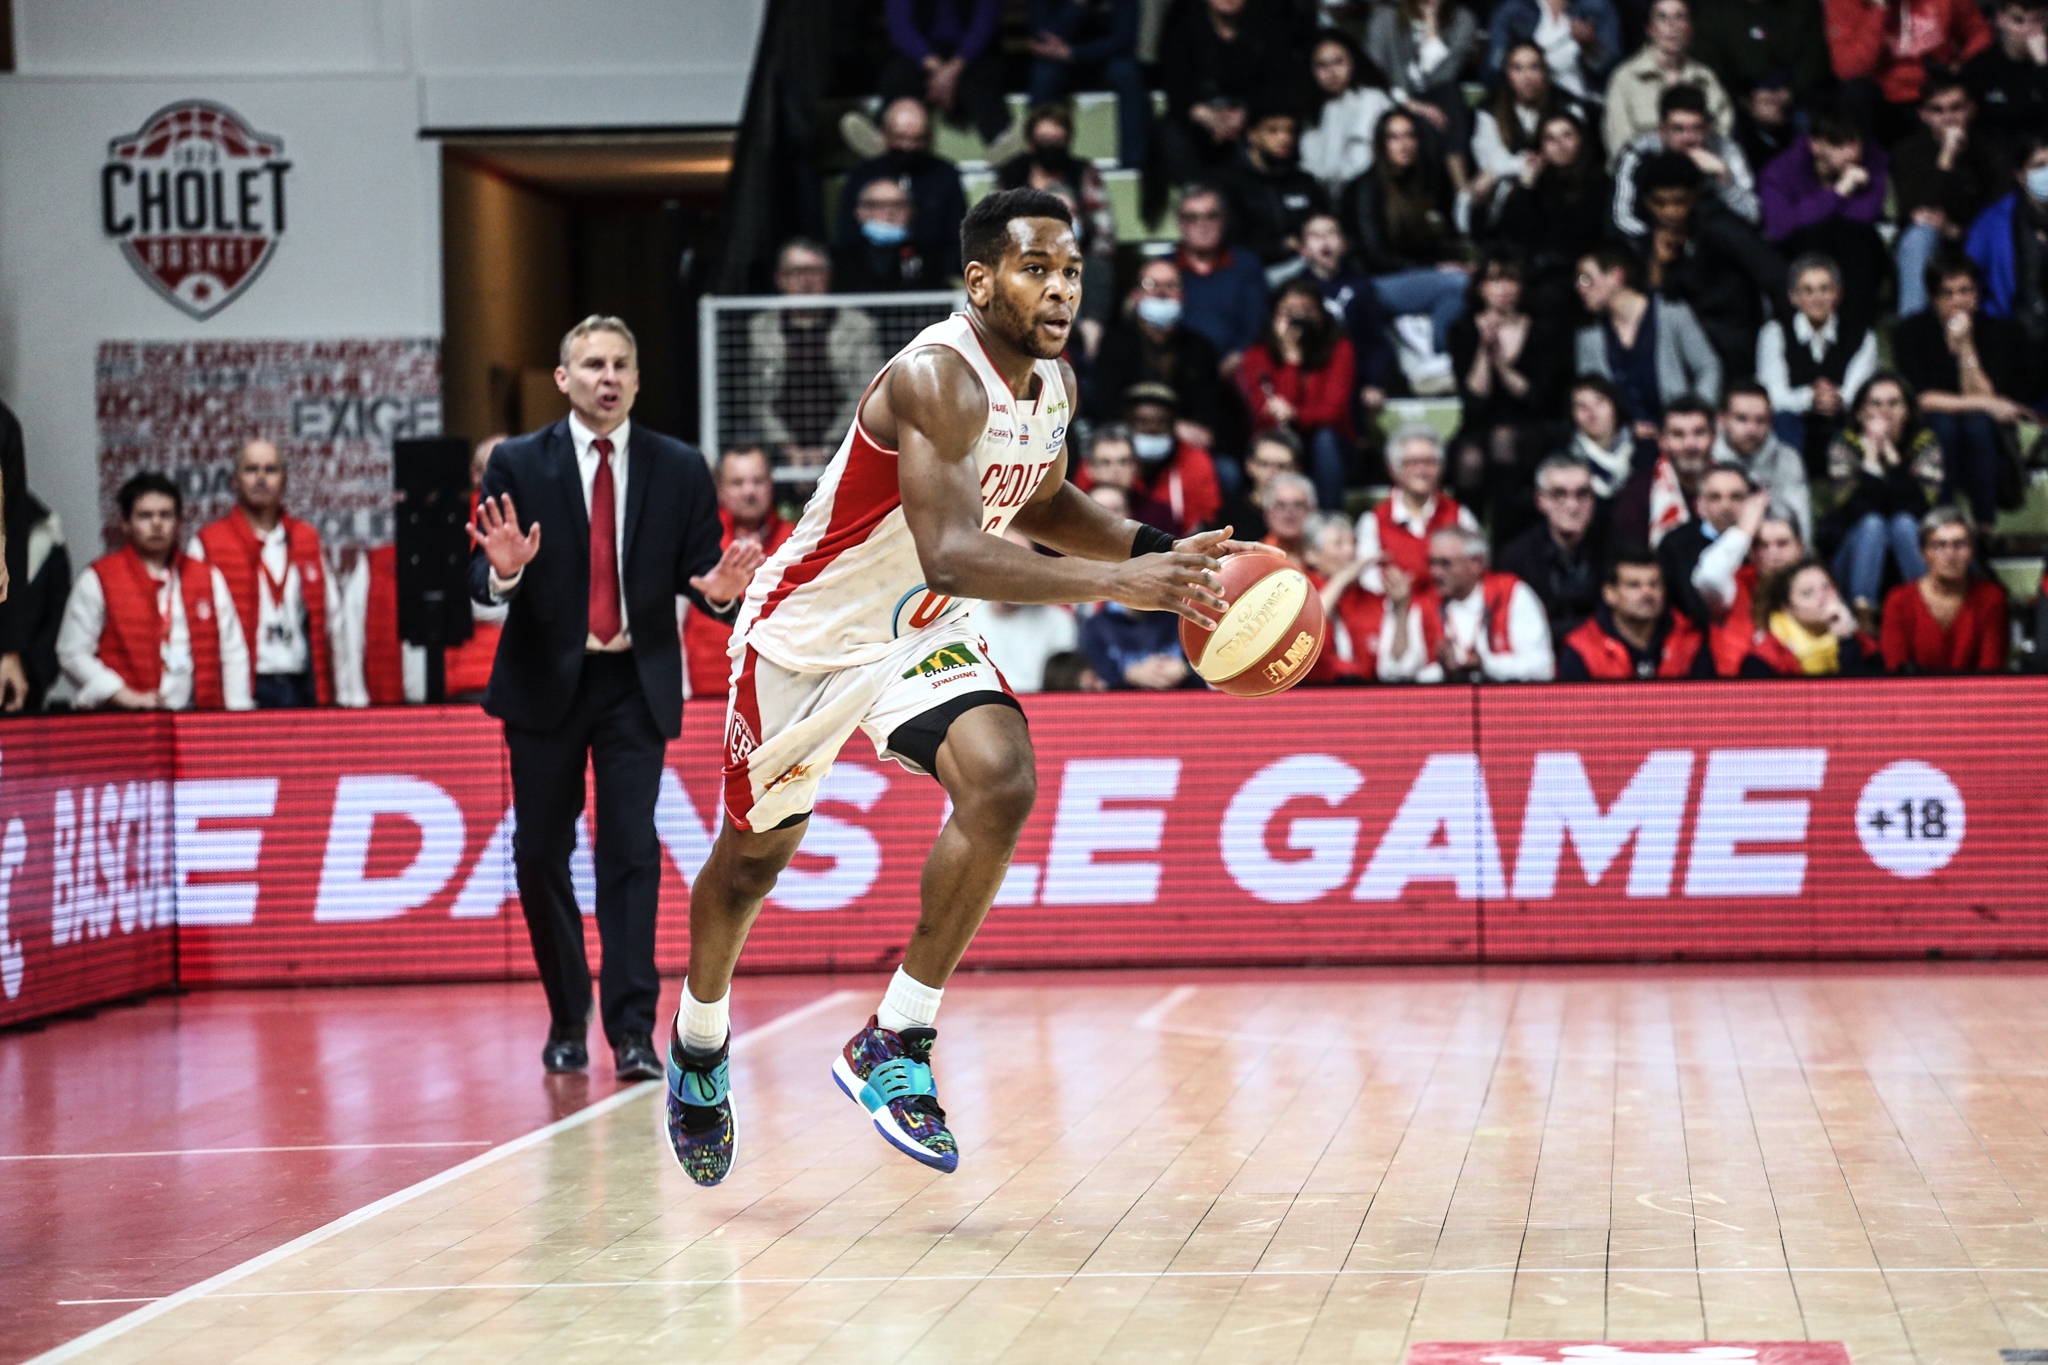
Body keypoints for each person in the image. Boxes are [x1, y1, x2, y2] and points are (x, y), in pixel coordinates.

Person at [662, 189, 1258, 1184]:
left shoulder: (1053, 386)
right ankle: (698, 1039)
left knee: (1002, 779)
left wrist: (1164, 557)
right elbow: (947, 551)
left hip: (916, 634)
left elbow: (1043, 500)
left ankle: (895, 1042)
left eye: (1070, 270)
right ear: (979, 281)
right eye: (1036, 269)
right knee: (753, 865)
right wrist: (1121, 586)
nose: (1060, 287)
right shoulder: (938, 377)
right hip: (807, 639)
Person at [467, 316, 762, 1084]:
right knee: (539, 854)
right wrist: (501, 574)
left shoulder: (677, 465)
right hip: (543, 680)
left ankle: (633, 1029)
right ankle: (569, 1015)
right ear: (563, 378)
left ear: (636, 378)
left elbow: (706, 574)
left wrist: (725, 597)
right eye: (592, 364)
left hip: (635, 679)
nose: (607, 376)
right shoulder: (519, 462)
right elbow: (480, 572)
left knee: (630, 851)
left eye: (621, 364)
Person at [58, 472, 251, 712]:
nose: (157, 523)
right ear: (125, 522)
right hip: (125, 718)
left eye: (165, 515)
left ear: (179, 520)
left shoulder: (207, 576)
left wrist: (238, 716)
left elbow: (233, 653)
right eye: (145, 516)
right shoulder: (99, 577)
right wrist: (123, 695)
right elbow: (72, 653)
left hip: (197, 719)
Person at [191, 439, 358, 709]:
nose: (261, 478)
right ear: (234, 481)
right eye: (251, 469)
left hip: (302, 683)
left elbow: (333, 622)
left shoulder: (306, 538)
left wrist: (347, 696)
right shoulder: (208, 544)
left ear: (285, 481)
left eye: (270, 470)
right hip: (245, 686)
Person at [1893, 253, 2035, 531]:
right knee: (1944, 426)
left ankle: (1984, 526)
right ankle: (1943, 523)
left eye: (1965, 291)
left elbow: (1988, 395)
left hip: (1982, 430)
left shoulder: (1996, 332)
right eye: (1948, 293)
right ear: (1933, 297)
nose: (1958, 300)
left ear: (1977, 293)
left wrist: (1967, 347)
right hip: (1930, 426)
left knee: (1978, 425)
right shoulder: (1910, 332)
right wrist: (1981, 404)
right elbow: (1921, 399)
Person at [1632, 150, 1787, 383]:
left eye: (1679, 202)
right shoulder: (1645, 243)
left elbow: (1778, 278)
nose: (1670, 212)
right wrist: (1658, 266)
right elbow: (1650, 316)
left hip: (1734, 349)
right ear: (1646, 201)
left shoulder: (1721, 229)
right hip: (1681, 355)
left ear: (1694, 197)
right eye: (1660, 203)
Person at [1447, 253, 1571, 537]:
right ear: (1481, 287)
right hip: (1479, 423)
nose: (1502, 289)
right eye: (1494, 280)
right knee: (1469, 459)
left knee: (1504, 441)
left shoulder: (1542, 328)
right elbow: (1474, 400)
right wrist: (1483, 350)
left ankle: (1507, 543)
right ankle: (1469, 540)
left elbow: (1537, 397)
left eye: (1510, 280)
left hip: (1529, 422)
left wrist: (1501, 363)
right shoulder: (1463, 329)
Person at [747, 239, 886, 471]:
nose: (806, 280)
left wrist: (828, 449)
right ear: (780, 278)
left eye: (815, 271)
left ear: (829, 276)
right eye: (797, 271)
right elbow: (755, 399)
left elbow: (867, 392)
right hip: (774, 453)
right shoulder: (761, 328)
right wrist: (786, 447)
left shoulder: (858, 326)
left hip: (847, 447)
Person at [1342, 108, 1472, 353]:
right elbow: (1373, 254)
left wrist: (1449, 264)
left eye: (1409, 136)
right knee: (1458, 284)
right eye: (1394, 137)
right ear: (1382, 144)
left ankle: (1441, 357)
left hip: (1410, 275)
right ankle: (1438, 352)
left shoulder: (1422, 183)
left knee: (1465, 286)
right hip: (1372, 281)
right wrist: (1434, 269)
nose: (1404, 144)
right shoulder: (1364, 188)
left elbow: (1433, 245)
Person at [1821, 371, 1944, 622]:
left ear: (1908, 410)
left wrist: (1893, 459)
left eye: (1893, 403)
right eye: (1875, 404)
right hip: (1856, 557)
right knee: (1873, 525)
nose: (1884, 411)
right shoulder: (1844, 443)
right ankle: (1862, 615)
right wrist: (1870, 462)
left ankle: (1926, 612)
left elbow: (1921, 509)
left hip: (1910, 552)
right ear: (1859, 413)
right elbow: (1853, 513)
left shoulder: (1924, 441)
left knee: (1904, 524)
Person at [1891, 76, 2011, 318]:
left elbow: (2000, 211)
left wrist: (1956, 231)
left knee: (2001, 236)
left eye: (1956, 108)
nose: (1948, 117)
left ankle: (2003, 326)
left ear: (1971, 110)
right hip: (1929, 244)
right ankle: (1913, 331)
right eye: (1938, 110)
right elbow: (1915, 210)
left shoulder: (1991, 152)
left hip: (1975, 240)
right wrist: (1945, 159)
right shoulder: (1907, 153)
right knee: (1920, 236)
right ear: (1923, 114)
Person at [1574, 244, 1723, 435]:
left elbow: (1708, 366)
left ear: (1616, 276)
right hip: (1625, 439)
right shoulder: (1590, 337)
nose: (1579, 287)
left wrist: (1694, 415)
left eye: (1586, 278)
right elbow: (1590, 394)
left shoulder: (1671, 314)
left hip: (1678, 434)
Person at [682, 447, 794, 700]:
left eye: (758, 481)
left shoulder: (799, 540)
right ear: (719, 488)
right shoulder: (696, 541)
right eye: (737, 483)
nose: (749, 491)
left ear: (771, 484)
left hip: (779, 691)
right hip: (707, 690)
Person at [1757, 114, 1890, 326]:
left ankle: (1857, 329)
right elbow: (1779, 228)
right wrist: (1839, 192)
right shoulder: (1781, 171)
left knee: (1859, 237)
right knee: (1813, 234)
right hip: (1799, 251)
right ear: (1815, 145)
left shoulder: (1873, 163)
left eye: (1854, 143)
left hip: (1854, 251)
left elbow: (1864, 215)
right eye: (1838, 144)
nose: (1849, 153)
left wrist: (1817, 209)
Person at [1236, 279, 1357, 509]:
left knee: (1324, 440)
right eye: (1290, 312)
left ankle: (1329, 519)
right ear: (1274, 316)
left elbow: (1332, 412)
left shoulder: (1340, 349)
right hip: (1277, 442)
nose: (1298, 319)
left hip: (1331, 448)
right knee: (1271, 447)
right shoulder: (1256, 355)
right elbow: (1268, 417)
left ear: (1322, 315)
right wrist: (1292, 360)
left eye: (1307, 311)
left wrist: (1295, 414)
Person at [1378, 526, 1556, 681]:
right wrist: (1400, 612)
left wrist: (1485, 665)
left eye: (1445, 563)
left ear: (1476, 564)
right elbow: (1394, 672)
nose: (1435, 573)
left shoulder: (1512, 593)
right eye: (1431, 563)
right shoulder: (1425, 603)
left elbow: (1543, 668)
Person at [1085, 258, 1232, 444]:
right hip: (1125, 440)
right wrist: (1152, 427)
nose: (1162, 292)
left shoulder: (1199, 347)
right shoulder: (1114, 343)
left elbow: (1207, 417)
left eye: (1172, 285)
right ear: (1136, 295)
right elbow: (1104, 406)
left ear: (1183, 295)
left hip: (1183, 445)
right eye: (1151, 284)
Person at [1755, 253, 1877, 473]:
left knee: (1863, 421)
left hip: (1840, 422)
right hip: (1794, 426)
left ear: (1838, 294)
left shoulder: (1862, 336)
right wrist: (1811, 398)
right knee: (1783, 419)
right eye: (1808, 291)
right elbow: (1772, 395)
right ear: (1793, 297)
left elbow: (1859, 394)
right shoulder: (1775, 333)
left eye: (1825, 289)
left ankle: (1852, 493)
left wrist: (1835, 398)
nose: (1817, 298)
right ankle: (1789, 485)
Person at [1267, 214, 1395, 416]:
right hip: (1310, 378)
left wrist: (1375, 383)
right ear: (1303, 248)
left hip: (1356, 379)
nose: (1324, 241)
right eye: (1315, 236)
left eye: (1331, 234)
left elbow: (1376, 341)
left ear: (1344, 244)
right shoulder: (1295, 290)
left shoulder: (1361, 286)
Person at [1491, 113, 1615, 313]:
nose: (1560, 144)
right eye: (1550, 138)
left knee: (1553, 295)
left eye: (1567, 135)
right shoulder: (1535, 184)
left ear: (1580, 140)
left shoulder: (1600, 182)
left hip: (1582, 271)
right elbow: (1513, 232)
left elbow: (1590, 234)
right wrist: (1526, 185)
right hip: (1536, 271)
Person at [835, 99, 968, 285]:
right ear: (884, 134)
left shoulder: (945, 175)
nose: (908, 146)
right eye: (900, 138)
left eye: (916, 139)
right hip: (868, 278)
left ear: (929, 138)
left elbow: (957, 235)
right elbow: (847, 235)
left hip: (931, 279)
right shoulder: (863, 175)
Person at [1156, 0, 1286, 185]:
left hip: (1251, 114)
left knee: (1274, 129)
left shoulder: (1269, 21)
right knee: (1172, 133)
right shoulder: (1182, 20)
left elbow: (1277, 80)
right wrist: (1204, 115)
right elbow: (1174, 83)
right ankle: (1196, 200)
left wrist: (1246, 114)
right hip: (1198, 115)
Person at [1827, 0, 1991, 143]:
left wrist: (1962, 62)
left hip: (1933, 90)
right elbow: (1848, 70)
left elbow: (1979, 32)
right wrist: (1878, 10)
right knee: (1856, 92)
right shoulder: (1844, 3)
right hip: (1881, 96)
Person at [1613, 84, 1760, 236]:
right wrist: (1656, 240)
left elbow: (1752, 215)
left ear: (1707, 126)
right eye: (1678, 129)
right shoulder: (1638, 153)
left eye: (1697, 128)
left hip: (1710, 239)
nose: (1688, 138)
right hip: (1651, 238)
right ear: (1662, 130)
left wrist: (1724, 178)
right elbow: (1621, 217)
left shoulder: (1725, 150)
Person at [1469, 43, 1594, 216]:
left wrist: (1511, 166)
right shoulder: (1489, 109)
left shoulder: (1568, 105)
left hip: (1561, 188)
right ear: (1507, 73)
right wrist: (1520, 167)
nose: (1526, 77)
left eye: (1534, 67)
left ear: (1545, 71)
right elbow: (1489, 160)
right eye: (1517, 68)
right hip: (1510, 189)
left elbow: (1578, 153)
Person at [1498, 452, 1613, 639]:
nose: (1572, 506)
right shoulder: (1516, 558)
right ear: (1540, 501)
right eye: (1560, 494)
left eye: (1582, 494)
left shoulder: (1618, 552)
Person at [1881, 505, 2009, 671]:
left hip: (1976, 696)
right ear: (1923, 553)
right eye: (1939, 545)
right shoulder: (1899, 601)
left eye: (1959, 544)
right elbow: (1896, 671)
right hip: (1914, 696)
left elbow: (1991, 670)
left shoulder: (1991, 598)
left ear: (1972, 551)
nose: (1950, 554)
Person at [1354, 425, 1481, 591]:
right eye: (1412, 463)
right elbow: (1369, 583)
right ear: (1393, 470)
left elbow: (1475, 574)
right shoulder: (1373, 521)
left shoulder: (1460, 516)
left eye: (1430, 462)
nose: (1422, 470)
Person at [1692, 492, 1807, 672]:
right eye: (1762, 545)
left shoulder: (1821, 586)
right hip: (1744, 694)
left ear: (1800, 547)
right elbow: (1708, 577)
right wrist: (1743, 529)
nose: (1773, 554)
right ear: (1750, 552)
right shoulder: (1735, 589)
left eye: (1782, 543)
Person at [1604, 0, 1736, 156]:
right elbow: (1619, 145)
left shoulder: (1705, 78)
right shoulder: (1625, 78)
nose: (1671, 25)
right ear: (1649, 29)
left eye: (1679, 17)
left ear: (1691, 28)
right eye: (1662, 17)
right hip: (1645, 173)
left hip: (1701, 170)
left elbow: (1724, 136)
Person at [1026, 0, 1147, 169]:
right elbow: (1044, 36)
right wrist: (1077, 5)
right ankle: (1040, 160)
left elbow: (1125, 40)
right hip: (1060, 63)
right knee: (1044, 75)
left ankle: (1133, 165)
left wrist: (1074, 53)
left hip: (1103, 59)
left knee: (1127, 74)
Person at [1557, 548, 1714, 677]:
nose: (1647, 593)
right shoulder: (1582, 648)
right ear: (1609, 593)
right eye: (1634, 585)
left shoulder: (1690, 639)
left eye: (1654, 584)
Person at [1219, 98, 1333, 267]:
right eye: (1273, 131)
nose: (1284, 138)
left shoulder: (1304, 182)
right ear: (1252, 134)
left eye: (1290, 131)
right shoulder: (1229, 182)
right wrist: (1280, 246)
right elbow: (1230, 243)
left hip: (1305, 268)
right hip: (1252, 271)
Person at [1366, 0, 1484, 161]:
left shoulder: (1462, 19)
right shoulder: (1385, 19)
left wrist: (1432, 29)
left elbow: (1446, 74)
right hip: (1392, 98)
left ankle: (1460, 183)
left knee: (1449, 97)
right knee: (1426, 123)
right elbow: (1373, 74)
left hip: (1439, 96)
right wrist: (1410, 103)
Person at [880, 0, 1010, 145]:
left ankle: (1002, 144)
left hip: (971, 55)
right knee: (900, 76)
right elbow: (901, 29)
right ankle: (883, 139)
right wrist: (937, 68)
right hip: (921, 54)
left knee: (984, 78)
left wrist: (952, 70)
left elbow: (983, 27)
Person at [1173, 185, 1271, 372]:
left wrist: (1236, 357)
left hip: (1239, 369)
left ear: (1223, 221)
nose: (1203, 225)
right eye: (1192, 218)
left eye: (1211, 216)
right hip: (1179, 371)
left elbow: (1256, 324)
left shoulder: (1246, 266)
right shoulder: (1165, 268)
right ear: (1181, 224)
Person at [1964, 133, 2048, 347]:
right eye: (2039, 166)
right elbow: (1971, 276)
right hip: (2012, 330)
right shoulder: (1991, 223)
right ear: (2021, 175)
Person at [1738, 556, 1881, 674]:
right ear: (1787, 608)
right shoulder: (1764, 659)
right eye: (1807, 593)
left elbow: (1865, 701)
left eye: (1826, 587)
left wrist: (1847, 642)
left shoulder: (1863, 645)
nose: (1823, 597)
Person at [1654, 460, 1754, 624]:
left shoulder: (1765, 541)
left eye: (1736, 497)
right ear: (1699, 505)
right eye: (1715, 497)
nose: (1726, 506)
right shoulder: (1675, 544)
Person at [978, 534, 1082, 690]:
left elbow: (1065, 685)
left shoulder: (1058, 621)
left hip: (1043, 711)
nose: (1013, 569)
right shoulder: (964, 620)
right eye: (1004, 559)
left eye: (1024, 560)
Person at [1713, 381, 1814, 541]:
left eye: (1760, 420)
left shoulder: (1788, 459)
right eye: (1741, 419)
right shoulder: (1706, 458)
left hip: (1771, 550)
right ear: (1721, 420)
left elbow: (1801, 526)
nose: (1751, 429)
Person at [1613, 395, 1719, 547]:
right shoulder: (1637, 492)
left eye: (1699, 433)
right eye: (1678, 434)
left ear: (1713, 437)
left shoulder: (1737, 487)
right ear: (1661, 441)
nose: (1689, 444)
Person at [1301, 30, 1397, 191]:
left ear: (1353, 61)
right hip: (1324, 194)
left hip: (1364, 191)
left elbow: (1361, 160)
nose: (1331, 72)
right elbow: (1309, 163)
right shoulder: (1314, 108)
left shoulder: (1370, 98)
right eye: (1322, 65)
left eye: (1338, 62)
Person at [1121, 382, 1225, 532]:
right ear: (1128, 424)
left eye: (1160, 422)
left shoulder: (1195, 460)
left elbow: (1204, 520)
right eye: (1142, 421)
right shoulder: (1109, 456)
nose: (1151, 429)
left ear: (1173, 425)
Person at [1304, 513, 1388, 681]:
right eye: (1339, 544)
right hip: (1311, 695)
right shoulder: (1298, 593)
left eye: (1353, 543)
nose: (1350, 551)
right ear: (1311, 554)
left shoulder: (1372, 601)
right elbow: (1306, 628)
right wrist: (1343, 578)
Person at [1486, 0, 1622, 102]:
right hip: (1528, 101)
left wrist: (1590, 47)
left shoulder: (1596, 8)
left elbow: (1614, 72)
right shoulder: (1513, 11)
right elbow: (1495, 68)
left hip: (1584, 100)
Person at [1693, 0, 1830, 97]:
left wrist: (1789, 92)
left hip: (1795, 96)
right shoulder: (1713, 9)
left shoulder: (1803, 6)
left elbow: (1815, 60)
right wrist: (1746, 99)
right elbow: (1709, 66)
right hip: (1737, 98)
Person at [1963, 0, 2048, 156]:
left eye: (2036, 21)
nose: (2027, 30)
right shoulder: (1980, 66)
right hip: (1996, 156)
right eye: (2018, 21)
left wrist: (2042, 66)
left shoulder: (2044, 66)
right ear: (2001, 19)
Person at [1073, 423, 1182, 533]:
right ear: (1089, 468)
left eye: (1123, 462)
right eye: (1105, 462)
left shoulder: (1159, 515)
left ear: (1136, 466)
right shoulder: (1073, 512)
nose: (1115, 470)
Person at [1562, 374, 1646, 497]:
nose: (1592, 413)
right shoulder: (1566, 462)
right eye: (1581, 406)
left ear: (1615, 406)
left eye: (1599, 402)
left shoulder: (1645, 452)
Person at [1217, 430, 1302, 542]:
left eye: (1281, 466)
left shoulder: (1304, 516)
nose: (1273, 472)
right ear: (1250, 465)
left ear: (1295, 470)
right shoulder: (1230, 517)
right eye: (1265, 464)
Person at [1733, 69, 1800, 176]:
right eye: (1769, 102)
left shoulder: (1796, 138)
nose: (1782, 96)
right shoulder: (1738, 146)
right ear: (1746, 102)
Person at [1255, 471, 1318, 569]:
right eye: (1280, 505)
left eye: (1298, 505)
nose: (1290, 512)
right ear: (1267, 513)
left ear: (1312, 510)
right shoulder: (1256, 558)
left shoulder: (1327, 556)